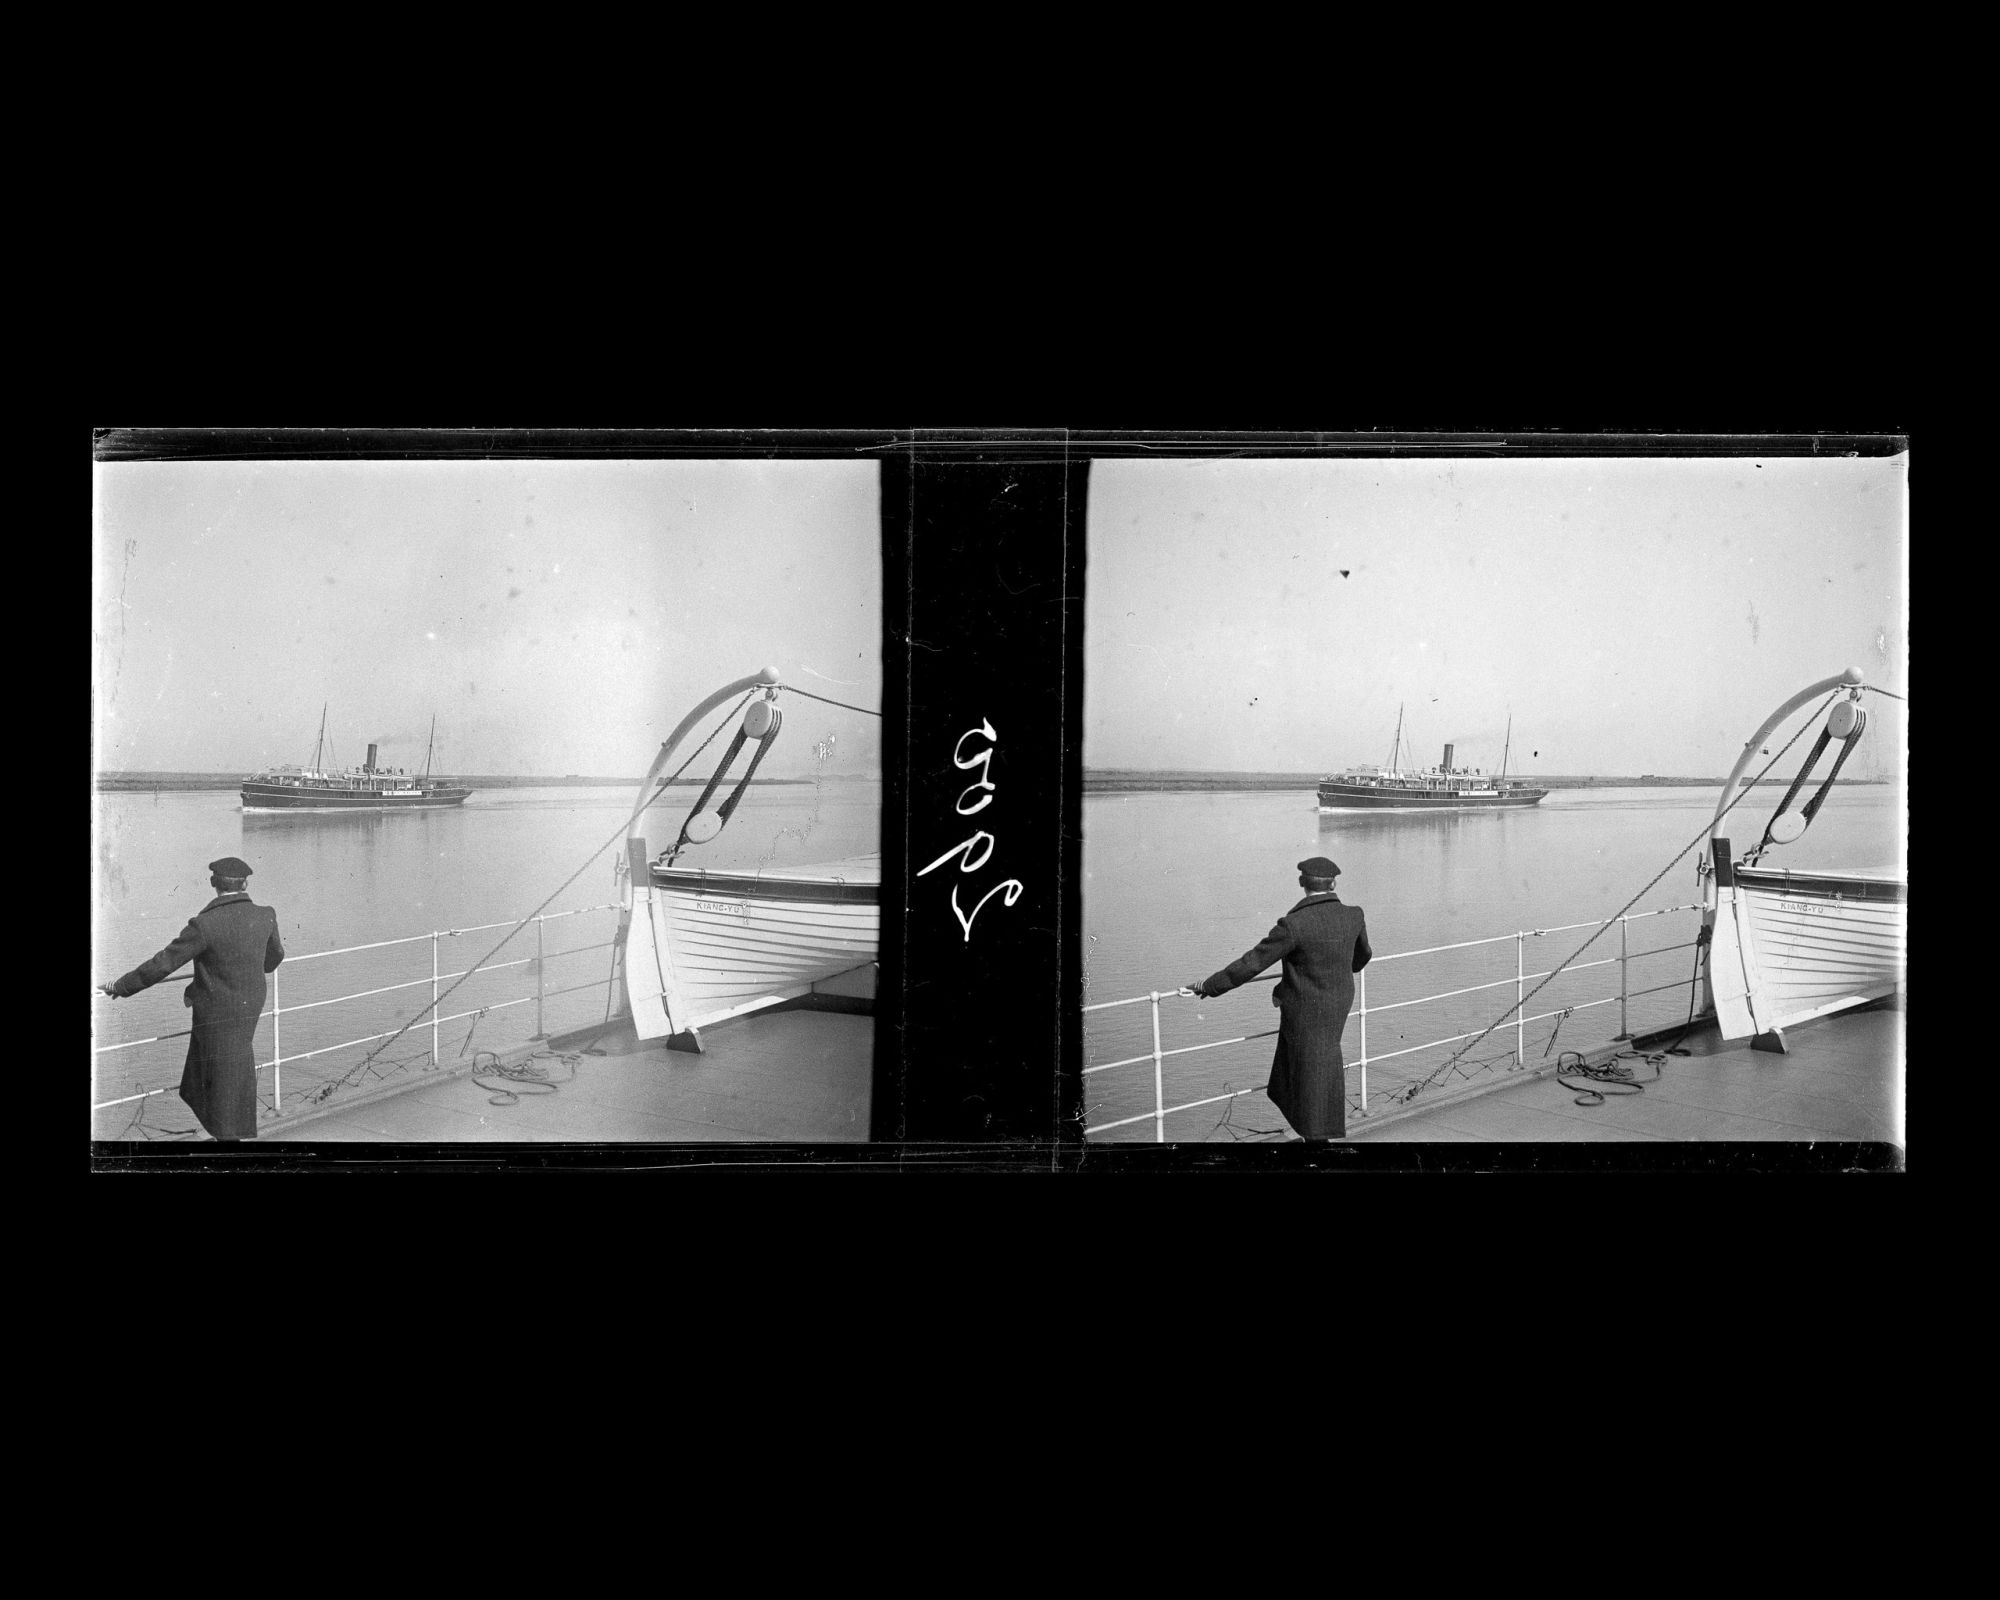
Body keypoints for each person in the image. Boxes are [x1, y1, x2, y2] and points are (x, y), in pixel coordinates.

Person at [1186, 855, 1371, 1142]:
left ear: (1301, 883)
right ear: (1333, 883)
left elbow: (1251, 963)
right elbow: (1362, 957)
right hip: (1339, 1002)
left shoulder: (1293, 924)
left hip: (1305, 1008)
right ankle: (1318, 1130)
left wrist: (1208, 986)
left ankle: (1317, 1135)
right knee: (1320, 1060)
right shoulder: (1354, 915)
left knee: (1310, 1067)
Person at [100, 856, 285, 1141]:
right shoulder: (265, 915)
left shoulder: (205, 924)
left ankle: (227, 1136)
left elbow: (163, 964)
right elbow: (274, 958)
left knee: (219, 1072)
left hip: (217, 1009)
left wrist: (121, 985)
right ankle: (233, 1131)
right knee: (232, 1064)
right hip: (250, 1004)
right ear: (245, 883)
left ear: (214, 884)